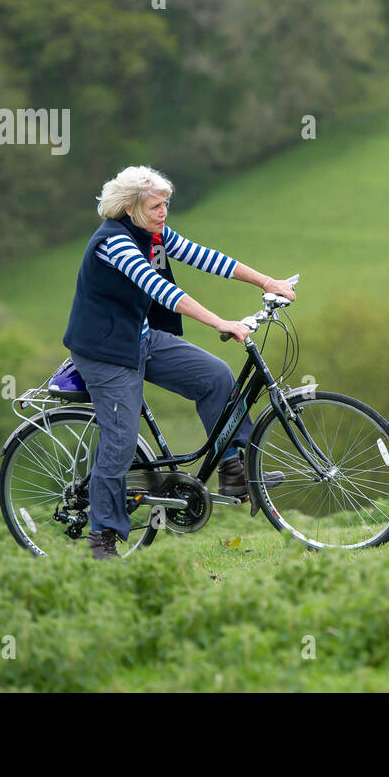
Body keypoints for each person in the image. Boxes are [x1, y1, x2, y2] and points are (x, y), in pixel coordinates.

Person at [62, 166, 296, 560]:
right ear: (132, 208)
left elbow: (205, 258)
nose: (164, 212)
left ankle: (233, 471)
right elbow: (162, 291)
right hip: (104, 351)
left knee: (216, 377)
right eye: (156, 205)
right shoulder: (113, 243)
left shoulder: (155, 235)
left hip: (140, 337)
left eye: (166, 204)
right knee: (119, 440)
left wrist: (267, 282)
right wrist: (221, 323)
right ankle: (101, 535)